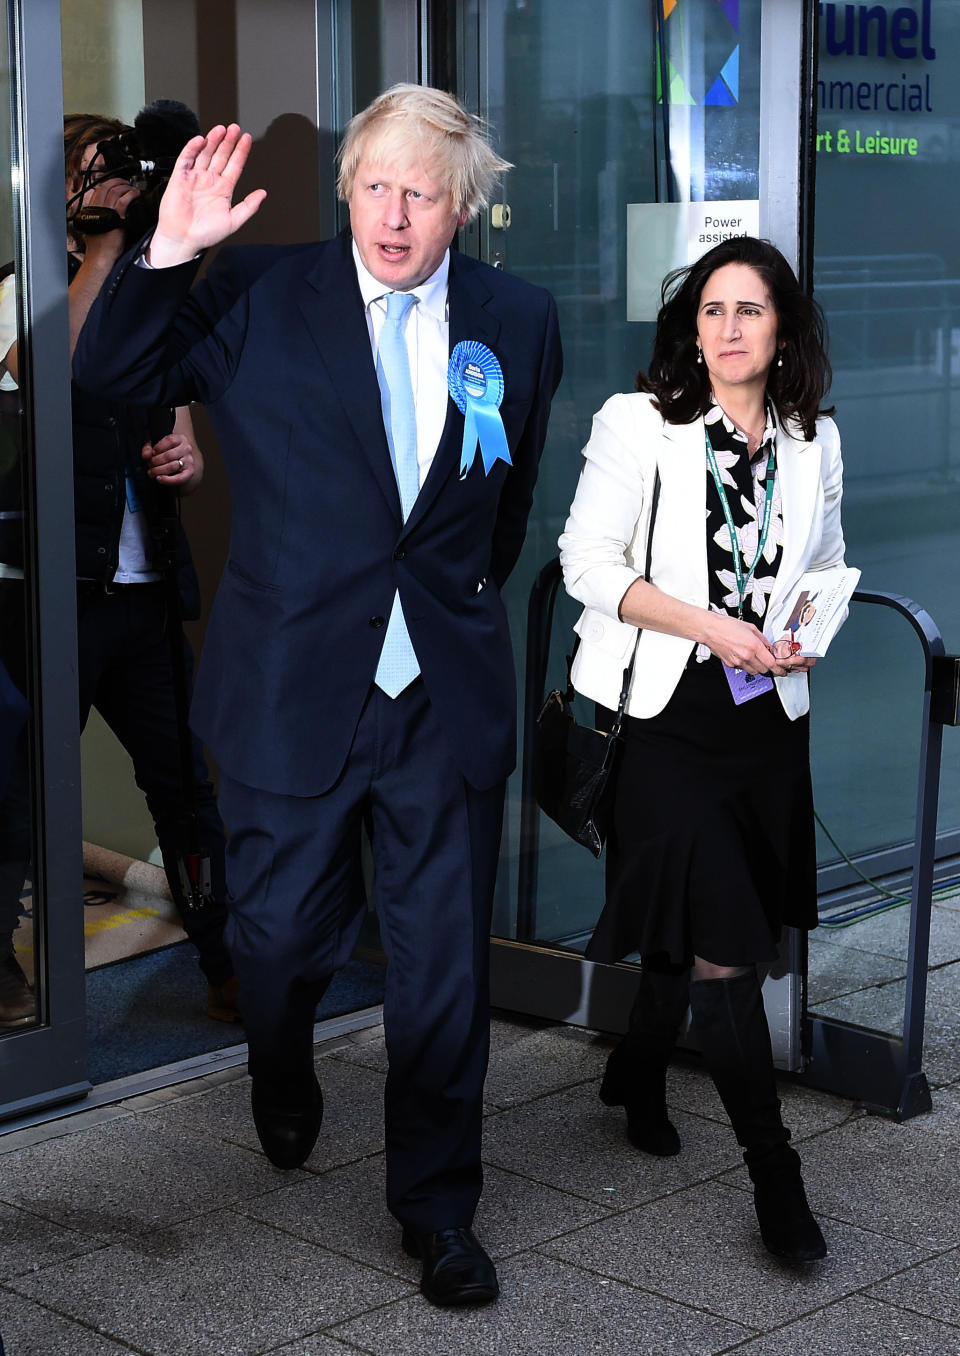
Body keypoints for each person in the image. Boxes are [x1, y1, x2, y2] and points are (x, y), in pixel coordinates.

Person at [72, 85, 562, 1306]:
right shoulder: (253, 292)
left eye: (425, 193)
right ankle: (279, 1065)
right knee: (280, 942)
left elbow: (499, 509)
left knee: (442, 966)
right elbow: (109, 374)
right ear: (347, 188)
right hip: (293, 683)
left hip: (438, 693)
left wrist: (439, 612)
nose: (397, 216)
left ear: (465, 207)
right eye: (378, 186)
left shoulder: (520, 318)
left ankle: (439, 1208)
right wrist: (168, 248)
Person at [559, 236, 848, 1264]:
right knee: (727, 949)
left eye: (751, 311)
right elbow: (585, 562)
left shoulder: (814, 438)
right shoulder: (640, 426)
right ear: (691, 325)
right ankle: (778, 1177)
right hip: (665, 718)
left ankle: (637, 1071)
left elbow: (825, 559)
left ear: (783, 331)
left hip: (764, 720)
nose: (729, 329)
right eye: (713, 310)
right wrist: (710, 625)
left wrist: (806, 624)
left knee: (703, 920)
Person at [0, 114, 238, 1029]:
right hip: (45, 601)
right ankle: (2, 962)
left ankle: (225, 960)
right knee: (15, 793)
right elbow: (42, 375)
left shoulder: (153, 295)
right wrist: (102, 254)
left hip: (143, 594)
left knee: (185, 789)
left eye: (126, 176)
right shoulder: (26, 284)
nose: (120, 192)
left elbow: (180, 430)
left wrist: (187, 458)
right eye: (98, 177)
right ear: (59, 190)